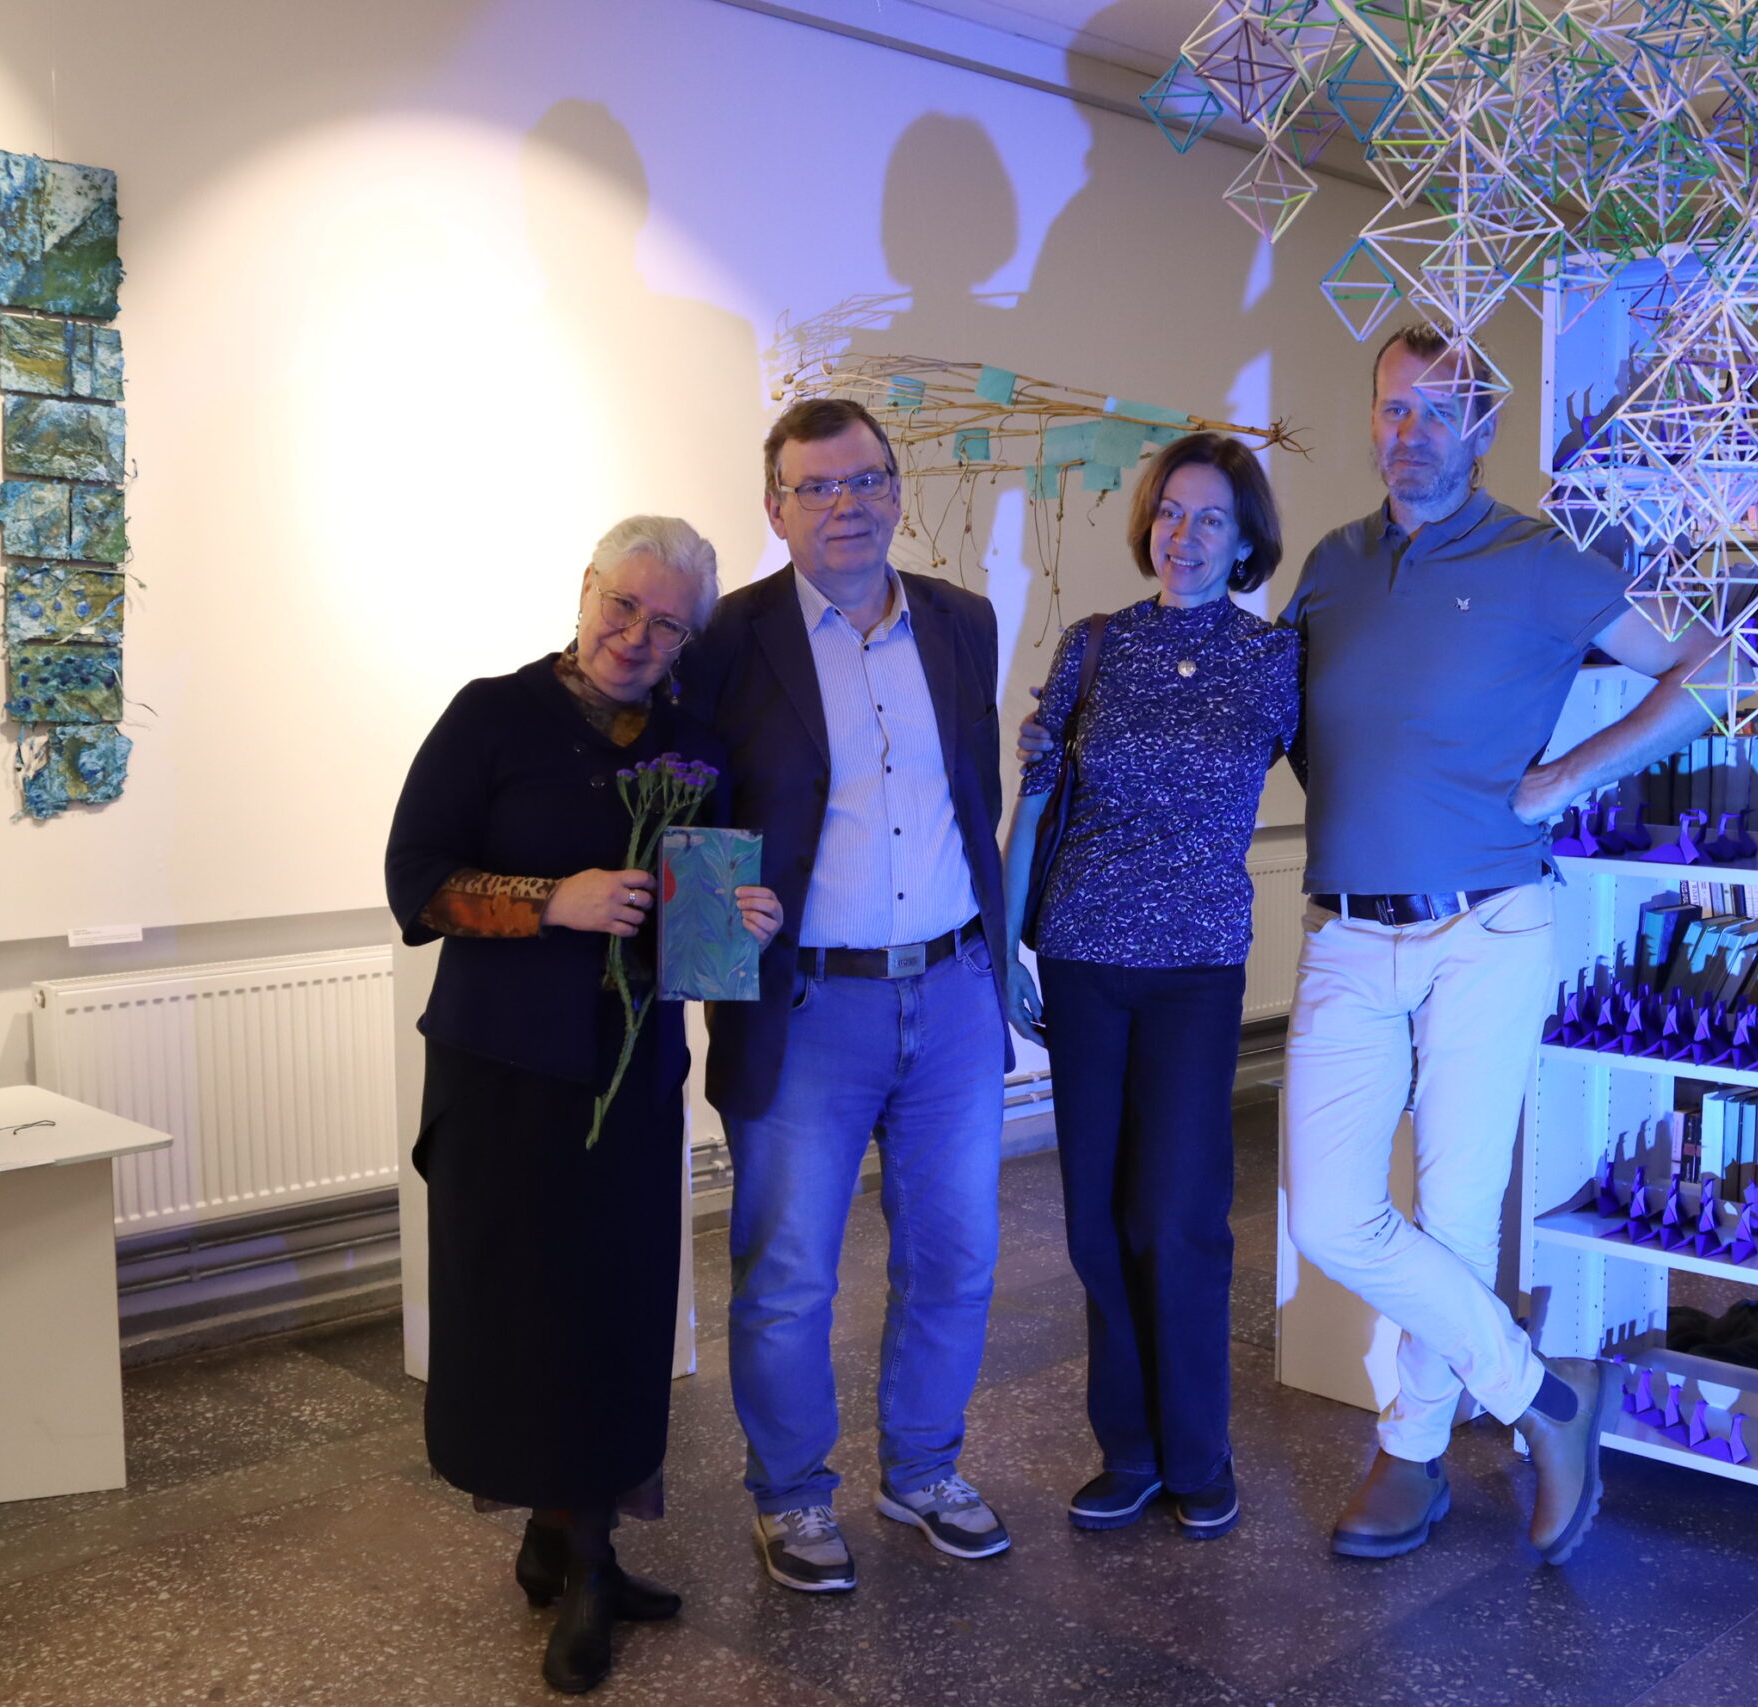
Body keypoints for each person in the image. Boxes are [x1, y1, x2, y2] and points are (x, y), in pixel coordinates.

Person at [1026, 326, 1715, 1566]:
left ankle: (1412, 1451)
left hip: (1486, 925)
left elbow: (1712, 667)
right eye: (1395, 409)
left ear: (1482, 426)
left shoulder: (1541, 560)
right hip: (1346, 929)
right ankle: (1548, 1397)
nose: (1413, 434)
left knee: (1452, 1210)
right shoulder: (1332, 568)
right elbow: (1277, 726)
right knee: (1331, 1217)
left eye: (1440, 411)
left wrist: (1568, 775)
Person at [385, 516, 782, 1694]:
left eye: (669, 624)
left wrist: (740, 924)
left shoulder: (694, 746)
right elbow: (416, 881)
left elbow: (694, 949)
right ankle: (576, 1552)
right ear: (586, 589)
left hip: (627, 1078)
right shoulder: (491, 716)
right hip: (502, 1078)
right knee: (521, 1318)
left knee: (613, 1318)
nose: (637, 637)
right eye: (623, 606)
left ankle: (574, 1546)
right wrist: (549, 900)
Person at [688, 397, 1016, 1595]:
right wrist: (709, 939)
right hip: (807, 1008)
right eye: (816, 487)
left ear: (896, 490)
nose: (845, 505)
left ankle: (923, 1469)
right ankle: (790, 1491)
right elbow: (687, 804)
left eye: (865, 479)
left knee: (957, 1257)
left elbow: (972, 795)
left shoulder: (962, 621)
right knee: (787, 1275)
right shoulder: (729, 639)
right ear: (775, 508)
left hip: (955, 988)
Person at [1001, 433, 1299, 1541]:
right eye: (1171, 512)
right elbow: (1035, 802)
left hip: (1195, 973)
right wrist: (1004, 949)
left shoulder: (1273, 660)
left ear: (1244, 537)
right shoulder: (1094, 647)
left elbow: (1352, 772)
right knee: (1097, 1217)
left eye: (1210, 517)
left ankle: (1197, 1453)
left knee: (1178, 1217)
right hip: (1084, 960)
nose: (1186, 534)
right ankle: (1127, 1451)